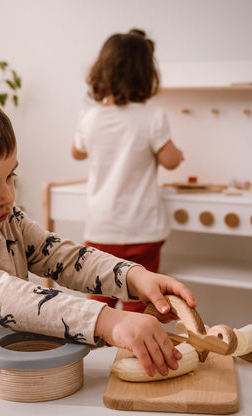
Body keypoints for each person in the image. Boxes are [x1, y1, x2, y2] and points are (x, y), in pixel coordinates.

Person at [0, 81, 195, 383]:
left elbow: (64, 256)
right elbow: (3, 296)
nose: (6, 196)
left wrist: (133, 277)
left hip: (8, 382)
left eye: (10, 176)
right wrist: (106, 319)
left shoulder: (7, 219)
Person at [71, 29, 184, 313]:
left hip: (101, 229)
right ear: (146, 75)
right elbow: (171, 161)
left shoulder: (91, 117)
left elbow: (77, 151)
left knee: (100, 306)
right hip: (141, 230)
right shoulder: (151, 117)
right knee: (140, 305)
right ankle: (130, 355)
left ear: (101, 72)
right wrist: (178, 153)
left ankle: (100, 351)